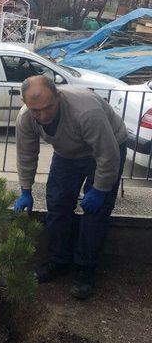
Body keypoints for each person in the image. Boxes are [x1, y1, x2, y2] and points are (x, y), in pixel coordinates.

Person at [13, 75, 127, 299]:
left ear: (58, 95)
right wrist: (25, 190)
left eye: (48, 107)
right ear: (26, 104)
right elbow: (26, 153)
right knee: (57, 205)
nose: (43, 115)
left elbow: (108, 155)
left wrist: (100, 189)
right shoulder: (26, 118)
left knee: (95, 212)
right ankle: (59, 261)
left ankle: (85, 268)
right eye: (36, 110)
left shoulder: (84, 112)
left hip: (107, 147)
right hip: (67, 154)